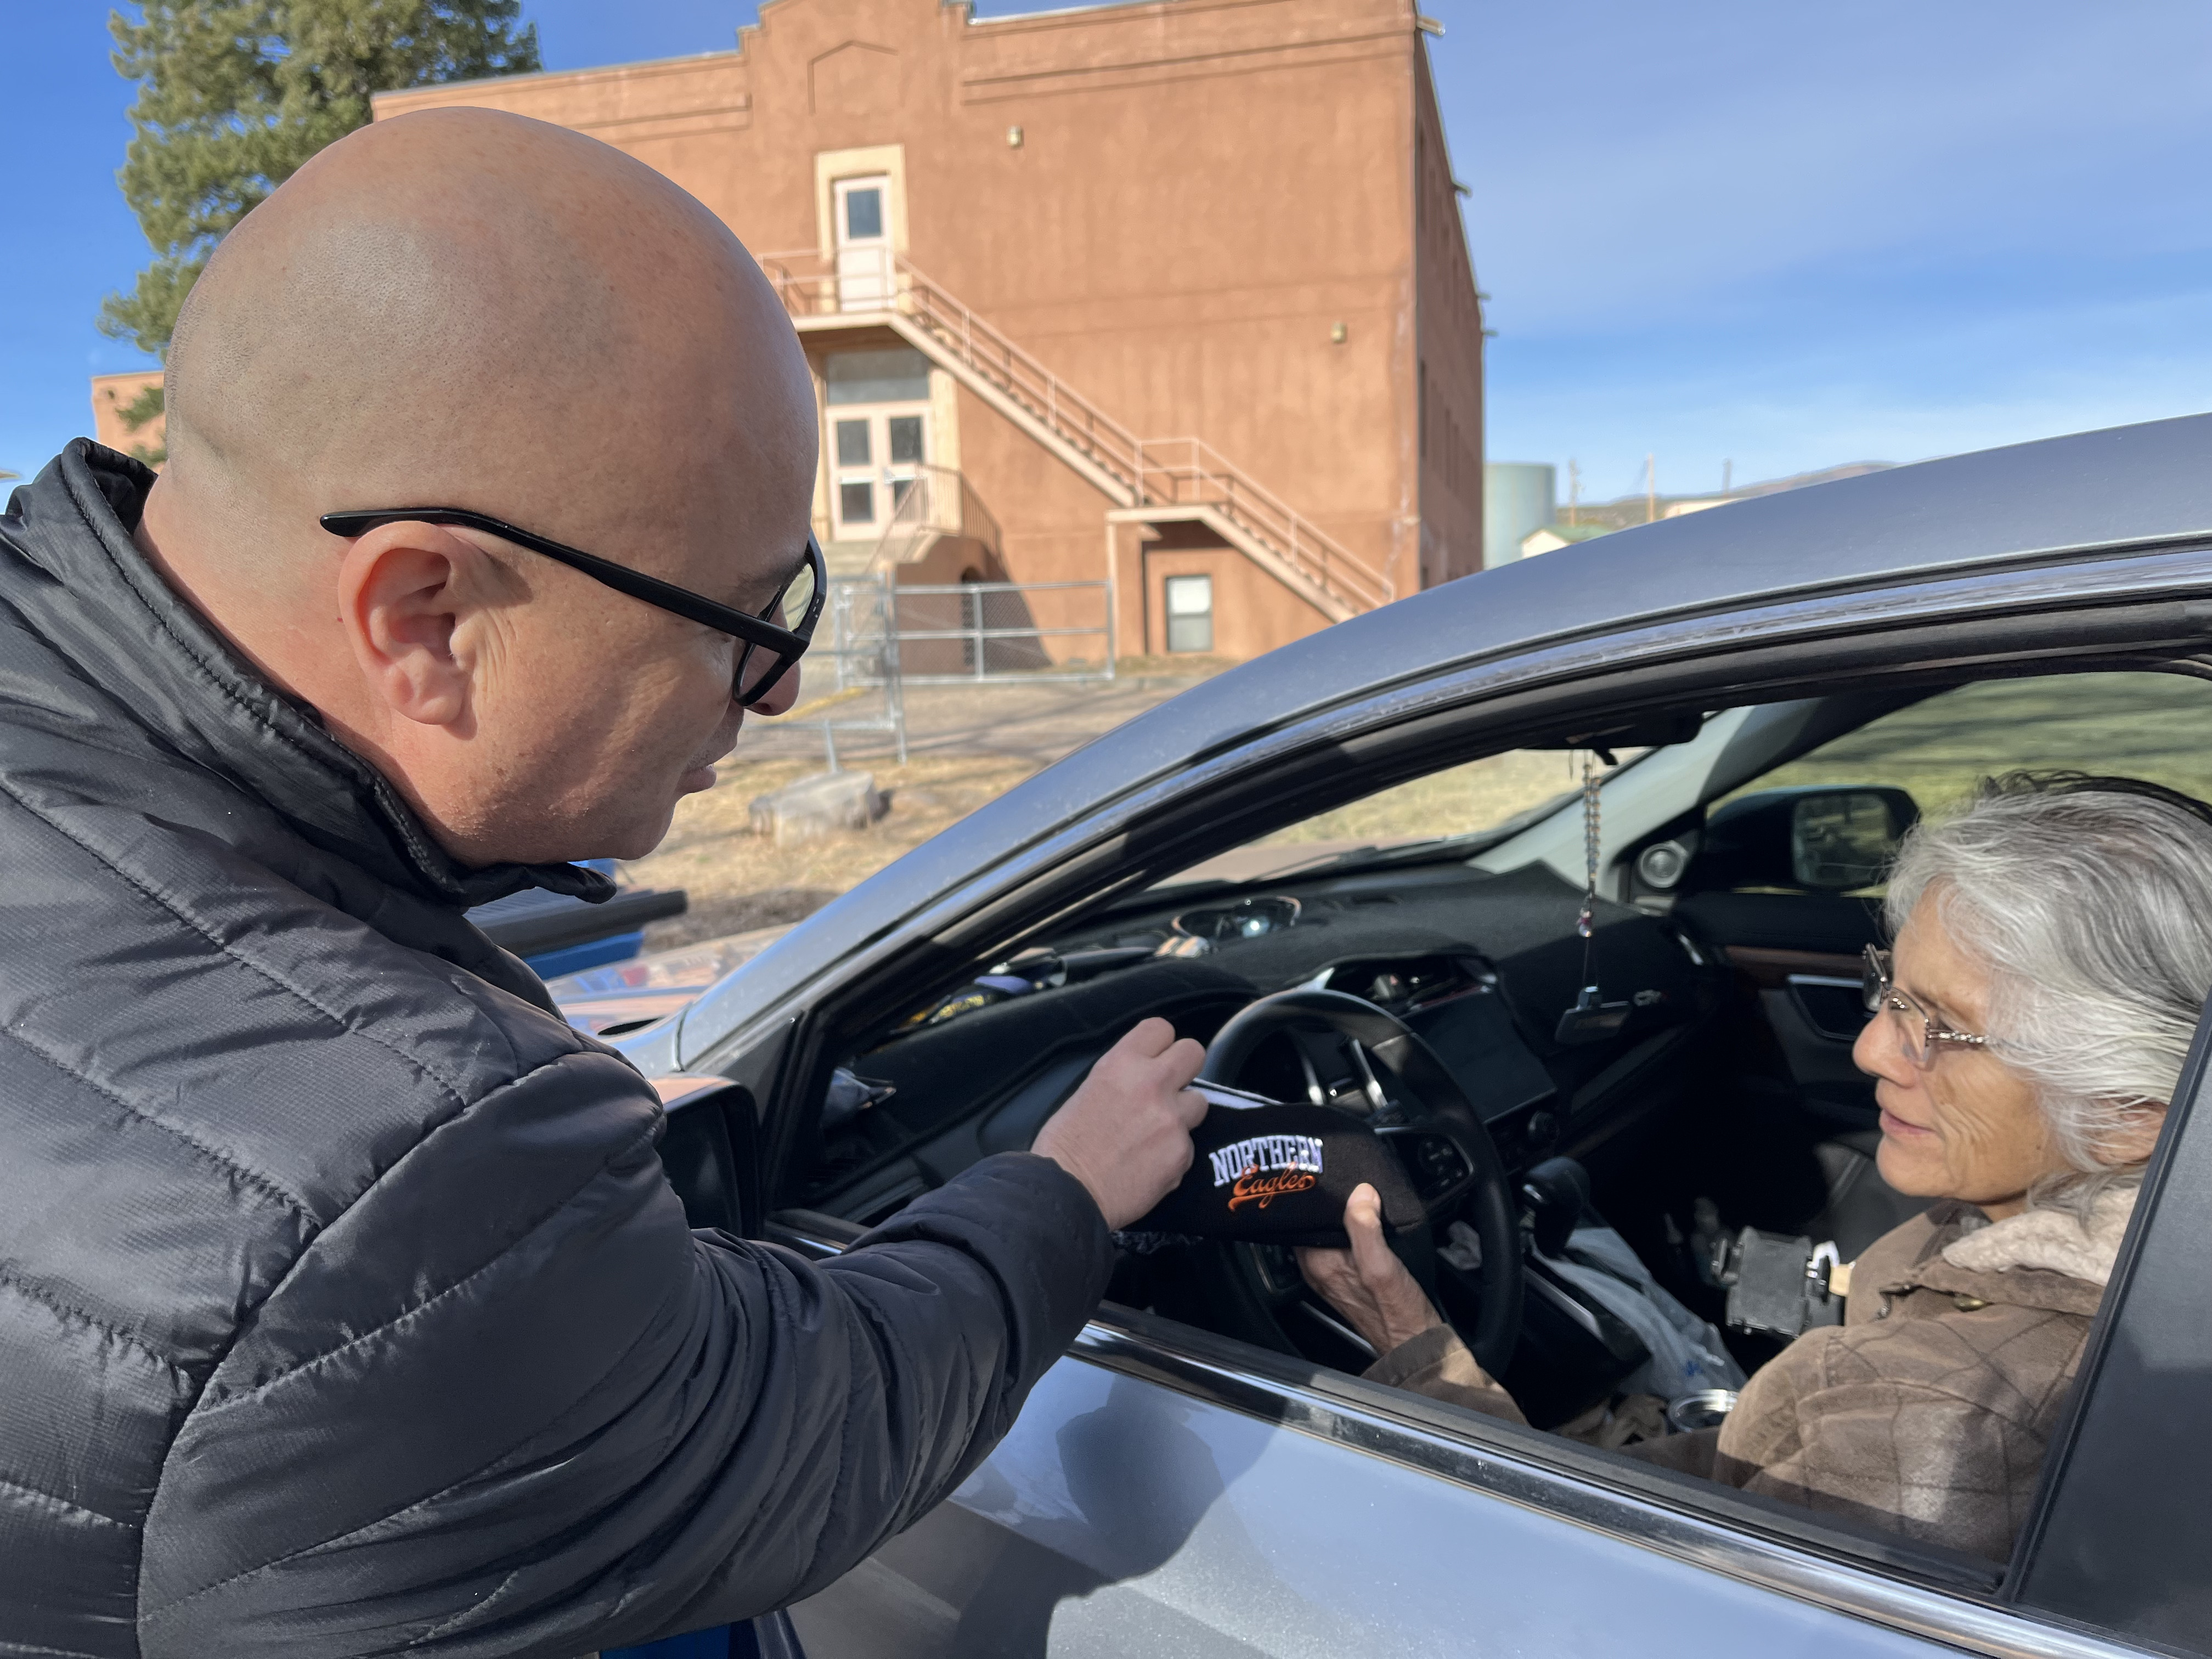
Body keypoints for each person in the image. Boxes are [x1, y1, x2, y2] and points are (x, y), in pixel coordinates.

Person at [0, 110, 1206, 1657]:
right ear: (426, 616)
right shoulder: (408, 1172)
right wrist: (1066, 1193)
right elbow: (802, 1419)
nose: (772, 695)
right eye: (752, 616)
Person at [1300, 772, 2209, 1561]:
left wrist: (1418, 1357)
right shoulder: (2093, 1272)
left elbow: (1584, 1598)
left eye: (1936, 1025)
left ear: (2134, 1114)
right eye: (1887, 990)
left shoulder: (1939, 1420)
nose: (1870, 1050)